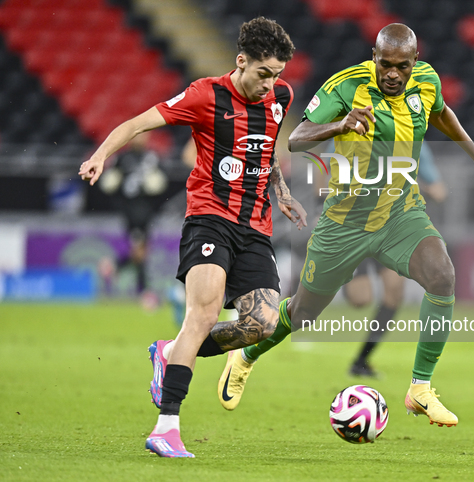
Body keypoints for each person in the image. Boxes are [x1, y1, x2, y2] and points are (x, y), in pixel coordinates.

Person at [217, 23, 474, 428]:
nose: (392, 73)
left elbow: (440, 112)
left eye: (401, 66)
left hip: (401, 212)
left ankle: (420, 389)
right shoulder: (346, 86)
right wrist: (340, 125)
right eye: (385, 64)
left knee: (442, 277)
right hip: (345, 222)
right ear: (374, 56)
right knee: (303, 314)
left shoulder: (426, 81)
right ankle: (245, 355)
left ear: (414, 62)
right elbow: (297, 139)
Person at [79, 17, 306, 458]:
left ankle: (170, 353)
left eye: (277, 74)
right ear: (241, 61)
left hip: (256, 228)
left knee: (264, 322)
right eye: (263, 73)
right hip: (209, 219)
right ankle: (166, 426)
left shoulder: (281, 97)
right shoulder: (206, 95)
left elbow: (265, 149)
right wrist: (100, 155)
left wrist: (281, 190)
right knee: (201, 315)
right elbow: (140, 122)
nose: (270, 84)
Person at [347, 143, 448, 377]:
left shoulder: (415, 144)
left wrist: (423, 188)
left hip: (390, 231)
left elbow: (438, 189)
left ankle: (361, 361)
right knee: (360, 299)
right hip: (354, 227)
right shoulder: (354, 134)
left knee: (394, 293)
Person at [97, 131, 166, 306]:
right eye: (137, 136)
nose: (140, 139)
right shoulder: (122, 158)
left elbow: (160, 182)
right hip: (132, 212)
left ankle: (113, 266)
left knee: (141, 252)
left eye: (144, 136)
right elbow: (110, 183)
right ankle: (144, 292)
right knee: (140, 252)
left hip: (147, 211)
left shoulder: (152, 157)